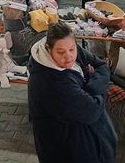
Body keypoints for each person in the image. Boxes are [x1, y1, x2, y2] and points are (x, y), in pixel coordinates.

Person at [28, 22, 117, 163]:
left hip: (86, 142)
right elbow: (91, 111)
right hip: (69, 151)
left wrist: (88, 90)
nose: (68, 56)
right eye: (61, 52)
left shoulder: (67, 45)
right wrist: (97, 86)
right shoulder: (51, 82)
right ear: (48, 49)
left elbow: (101, 65)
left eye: (72, 49)